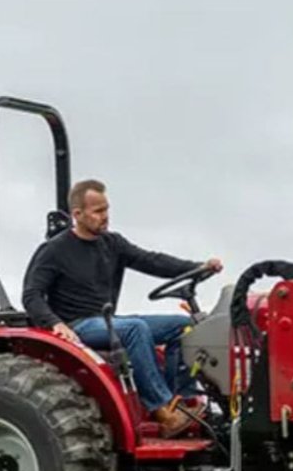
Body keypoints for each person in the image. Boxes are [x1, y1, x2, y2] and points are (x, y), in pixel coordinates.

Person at [21, 179, 222, 438]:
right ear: (78, 215)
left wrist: (199, 267)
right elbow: (32, 294)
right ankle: (162, 410)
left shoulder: (112, 244)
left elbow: (152, 261)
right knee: (135, 329)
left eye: (106, 209)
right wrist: (55, 323)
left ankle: (182, 401)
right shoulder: (55, 251)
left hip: (108, 321)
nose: (105, 217)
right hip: (78, 325)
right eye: (98, 211)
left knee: (186, 326)